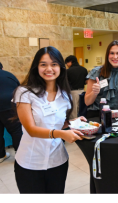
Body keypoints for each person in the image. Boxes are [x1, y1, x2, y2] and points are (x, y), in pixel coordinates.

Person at [13, 47, 86, 193]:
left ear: (61, 67)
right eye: (43, 64)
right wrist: (62, 134)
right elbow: (31, 129)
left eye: (54, 64)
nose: (49, 69)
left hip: (58, 161)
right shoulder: (24, 92)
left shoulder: (65, 95)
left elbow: (56, 123)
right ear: (36, 67)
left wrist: (73, 122)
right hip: (30, 163)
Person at [85, 41, 118, 113]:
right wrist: (94, 92)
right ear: (107, 55)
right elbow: (87, 102)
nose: (115, 57)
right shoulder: (96, 72)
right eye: (112, 53)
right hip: (96, 116)